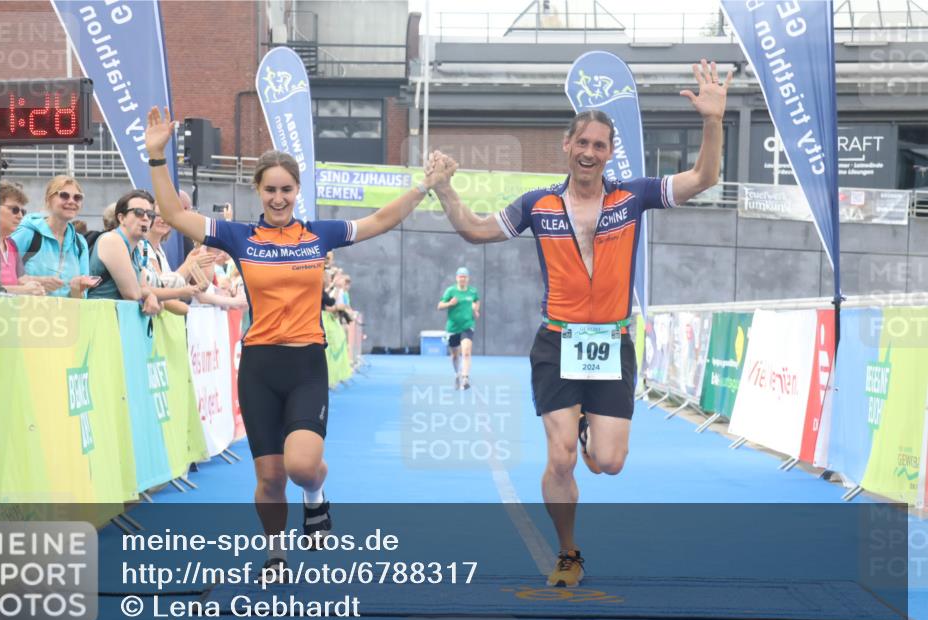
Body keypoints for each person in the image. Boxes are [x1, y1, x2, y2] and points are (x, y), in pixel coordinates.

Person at [430, 60, 732, 587]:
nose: (590, 152)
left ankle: (591, 426)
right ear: (566, 147)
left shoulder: (632, 197)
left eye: (600, 144)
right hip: (557, 342)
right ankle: (568, 551)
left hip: (612, 343)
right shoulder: (538, 205)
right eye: (582, 143)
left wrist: (712, 120)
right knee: (561, 456)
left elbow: (704, 178)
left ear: (611, 152)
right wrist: (444, 189)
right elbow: (477, 231)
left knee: (608, 463)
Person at [145, 105, 445, 578]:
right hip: (260, 368)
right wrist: (156, 156)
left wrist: (424, 185)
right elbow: (173, 215)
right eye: (271, 189)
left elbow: (380, 221)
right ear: (258, 190)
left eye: (287, 189)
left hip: (306, 365)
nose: (279, 198)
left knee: (303, 466)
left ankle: (316, 497)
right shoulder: (239, 236)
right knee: (268, 476)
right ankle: (275, 554)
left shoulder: (318, 235)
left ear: (297, 191)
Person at [11, 176, 98, 298]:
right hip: (26, 314)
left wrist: (76, 289)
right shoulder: (28, 234)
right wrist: (38, 281)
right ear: (48, 199)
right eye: (64, 195)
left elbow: (81, 299)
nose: (72, 201)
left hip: (64, 316)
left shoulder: (80, 243)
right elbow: (0, 276)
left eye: (77, 197)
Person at [86, 190, 162, 316]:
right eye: (138, 212)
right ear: (121, 218)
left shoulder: (137, 249)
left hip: (113, 321)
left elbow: (143, 288)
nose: (145, 218)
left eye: (150, 214)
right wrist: (149, 294)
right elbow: (132, 293)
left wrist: (149, 294)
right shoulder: (112, 240)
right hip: (97, 320)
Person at [437, 266, 480, 390]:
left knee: (466, 352)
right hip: (453, 328)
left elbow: (476, 301)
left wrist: (476, 310)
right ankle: (457, 374)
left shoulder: (472, 291)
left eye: (465, 277)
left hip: (467, 326)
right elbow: (439, 306)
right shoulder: (450, 291)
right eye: (460, 277)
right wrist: (450, 303)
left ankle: (465, 377)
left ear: (468, 279)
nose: (463, 279)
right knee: (455, 355)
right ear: (457, 278)